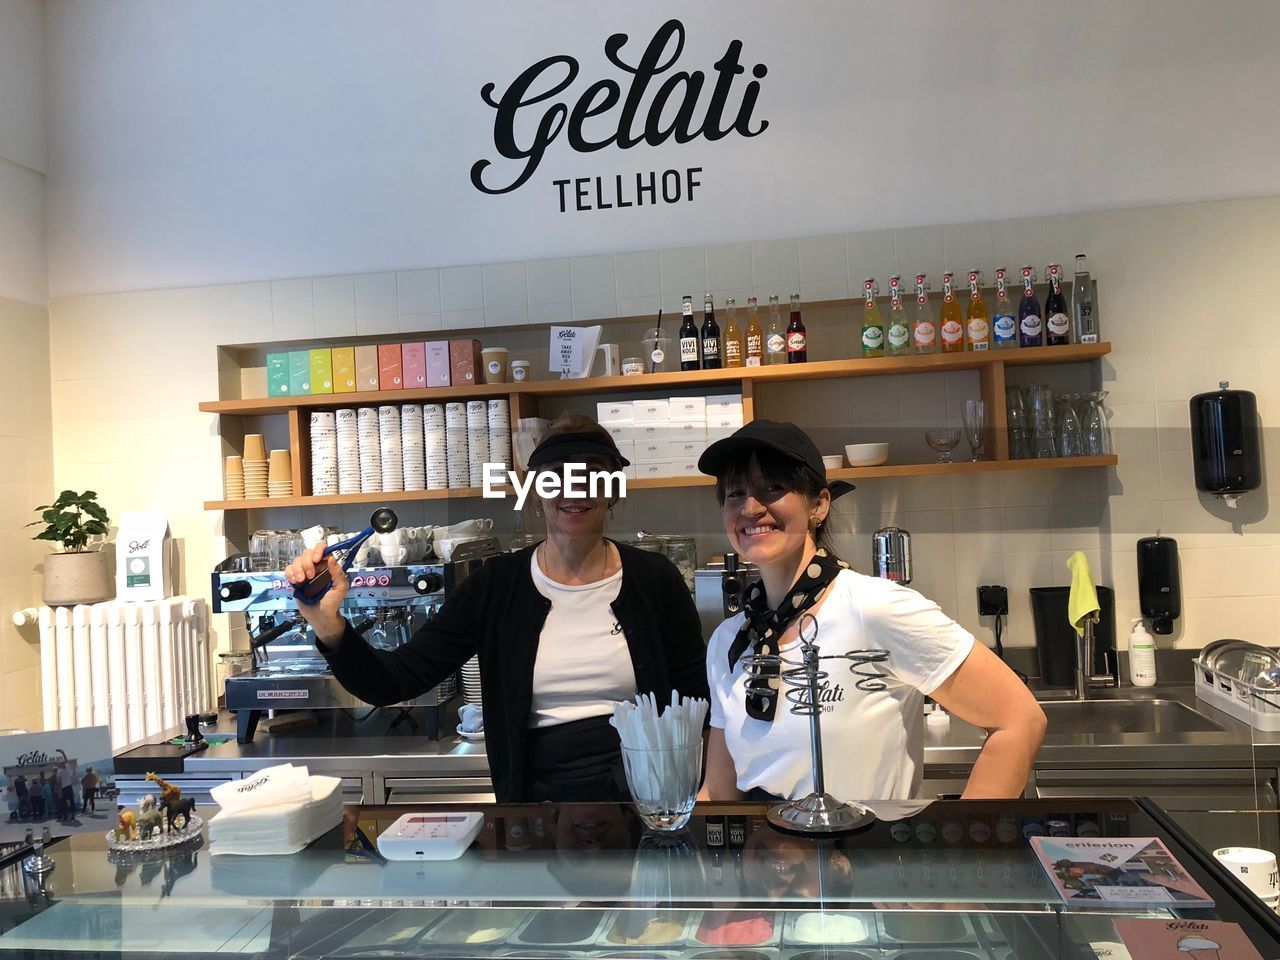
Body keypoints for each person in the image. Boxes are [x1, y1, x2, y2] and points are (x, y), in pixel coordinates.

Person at [286, 414, 708, 803]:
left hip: (648, 796)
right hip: (534, 803)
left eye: (593, 475)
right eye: (555, 476)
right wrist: (329, 626)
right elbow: (395, 680)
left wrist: (696, 797)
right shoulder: (495, 585)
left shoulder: (655, 579)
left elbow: (696, 701)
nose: (574, 489)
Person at [697, 420, 1045, 802]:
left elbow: (1020, 720)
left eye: (774, 488)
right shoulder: (728, 641)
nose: (750, 507)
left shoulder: (874, 608)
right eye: (735, 493)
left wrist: (967, 847)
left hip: (866, 856)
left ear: (819, 505)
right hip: (759, 856)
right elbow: (719, 792)